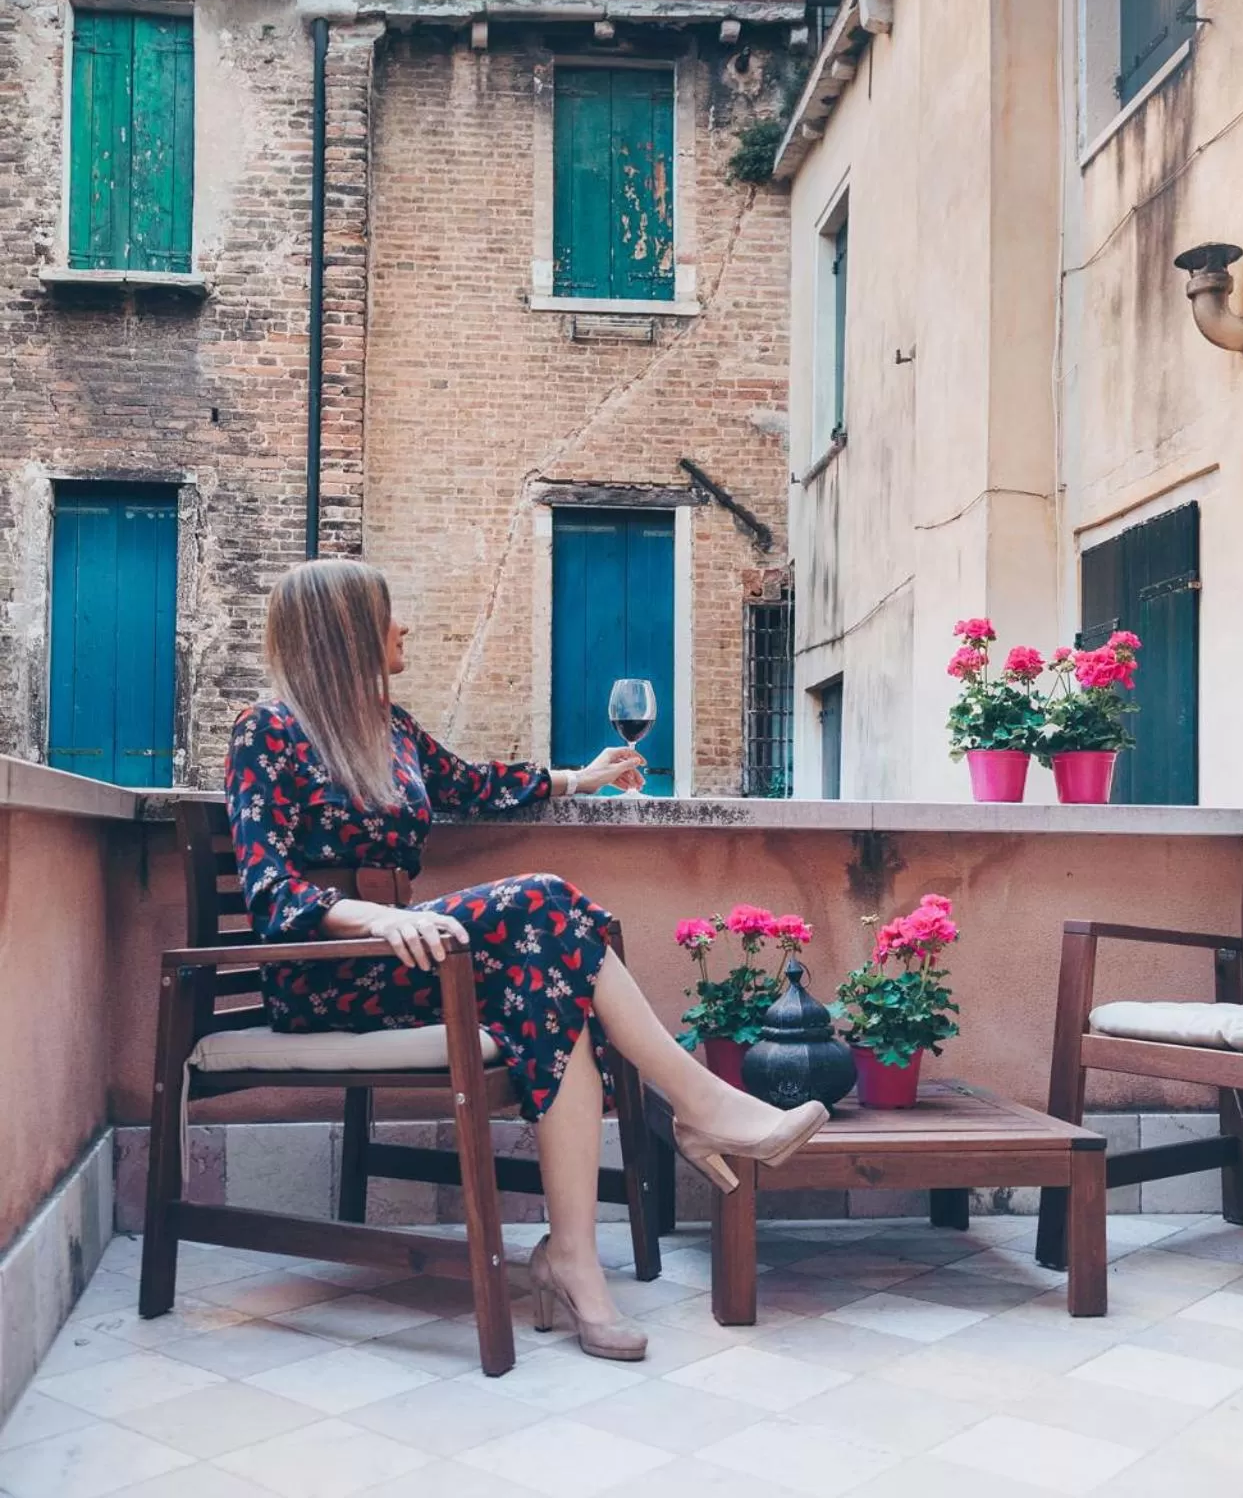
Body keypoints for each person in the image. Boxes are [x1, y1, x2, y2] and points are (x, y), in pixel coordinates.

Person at [226, 558, 827, 1362]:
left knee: (556, 999)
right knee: (545, 899)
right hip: (329, 971)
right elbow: (266, 883)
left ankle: (573, 1262)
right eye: (388, 615)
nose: (404, 627)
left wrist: (579, 777)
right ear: (346, 634)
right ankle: (698, 1106)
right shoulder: (265, 730)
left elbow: (473, 784)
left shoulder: (391, 732)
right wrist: (371, 916)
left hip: (407, 960)